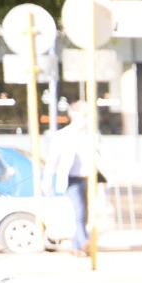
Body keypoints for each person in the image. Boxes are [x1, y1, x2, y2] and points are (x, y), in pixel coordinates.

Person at [45, 101, 95, 257]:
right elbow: (52, 160)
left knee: (85, 214)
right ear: (74, 115)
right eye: (84, 115)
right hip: (72, 179)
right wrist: (46, 179)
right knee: (79, 212)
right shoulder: (64, 135)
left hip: (88, 178)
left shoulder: (90, 135)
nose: (86, 119)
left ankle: (76, 246)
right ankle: (85, 242)